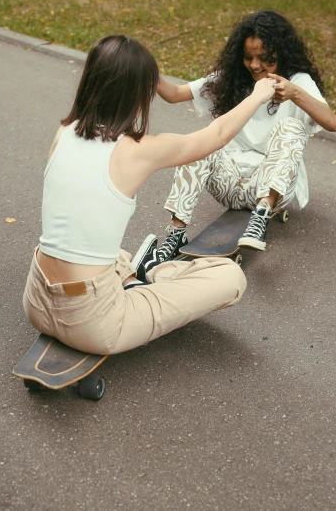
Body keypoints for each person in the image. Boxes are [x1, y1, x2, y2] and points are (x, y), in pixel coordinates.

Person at [22, 35, 277, 355]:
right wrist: (258, 94)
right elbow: (217, 136)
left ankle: (131, 273)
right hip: (93, 323)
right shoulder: (137, 151)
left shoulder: (64, 133)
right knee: (230, 278)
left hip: (35, 300)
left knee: (88, 238)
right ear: (138, 94)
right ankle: (148, 273)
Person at [141, 10, 336, 266]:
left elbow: (332, 123)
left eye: (265, 58)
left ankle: (260, 219)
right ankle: (177, 234)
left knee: (291, 126)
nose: (255, 65)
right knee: (201, 142)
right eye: (248, 57)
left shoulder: (298, 82)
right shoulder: (232, 79)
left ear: (282, 54)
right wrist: (144, 64)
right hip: (230, 183)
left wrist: (295, 94)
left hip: (273, 190)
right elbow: (175, 93)